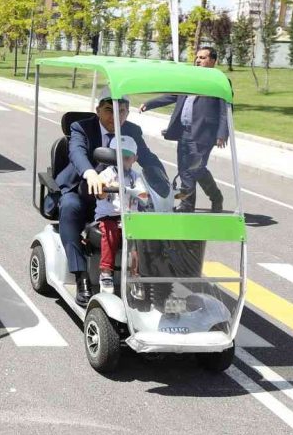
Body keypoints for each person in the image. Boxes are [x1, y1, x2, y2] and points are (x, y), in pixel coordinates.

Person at [55, 87, 163, 306]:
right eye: (108, 110)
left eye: (122, 111)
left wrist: (164, 180)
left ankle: (147, 277)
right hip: (84, 190)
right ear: (97, 110)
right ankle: (81, 276)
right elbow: (76, 152)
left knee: (153, 215)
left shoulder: (132, 130)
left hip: (121, 198)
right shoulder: (81, 127)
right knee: (69, 206)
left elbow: (147, 157)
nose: (116, 116)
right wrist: (90, 173)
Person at [139, 46, 228, 212]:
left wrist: (222, 133)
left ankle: (209, 199)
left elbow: (225, 110)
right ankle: (194, 203)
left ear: (213, 61)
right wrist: (150, 103)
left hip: (203, 133)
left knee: (194, 169)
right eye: (197, 57)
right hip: (184, 131)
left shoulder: (219, 81)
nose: (198, 60)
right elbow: (173, 95)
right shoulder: (190, 78)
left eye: (203, 57)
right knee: (185, 169)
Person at [93, 136, 149, 294]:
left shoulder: (136, 177)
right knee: (110, 232)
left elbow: (144, 195)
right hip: (109, 217)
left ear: (134, 159)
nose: (122, 161)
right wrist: (106, 187)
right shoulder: (107, 174)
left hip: (130, 219)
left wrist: (137, 192)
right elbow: (100, 193)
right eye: (118, 157)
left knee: (139, 238)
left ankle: (135, 275)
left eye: (127, 158)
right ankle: (106, 273)